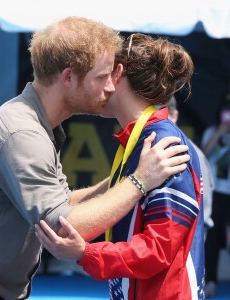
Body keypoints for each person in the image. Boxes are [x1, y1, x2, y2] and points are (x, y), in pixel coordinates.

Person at [0, 17, 190, 300]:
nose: (111, 87)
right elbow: (64, 224)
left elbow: (60, 202)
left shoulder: (33, 123)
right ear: (68, 77)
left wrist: (121, 178)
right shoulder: (22, 133)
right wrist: (139, 180)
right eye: (102, 77)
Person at [35, 33, 205, 300]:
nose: (93, 84)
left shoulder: (162, 144)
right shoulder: (142, 142)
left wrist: (85, 253)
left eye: (100, 73)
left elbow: (158, 250)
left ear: (117, 74)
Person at [163, 96, 214, 235]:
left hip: (190, 241)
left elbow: (203, 211)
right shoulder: (155, 150)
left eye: (162, 117)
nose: (156, 125)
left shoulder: (191, 154)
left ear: (174, 116)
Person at [202, 92, 230, 298]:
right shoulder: (212, 131)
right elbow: (203, 153)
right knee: (211, 239)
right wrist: (220, 131)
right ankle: (210, 281)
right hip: (215, 193)